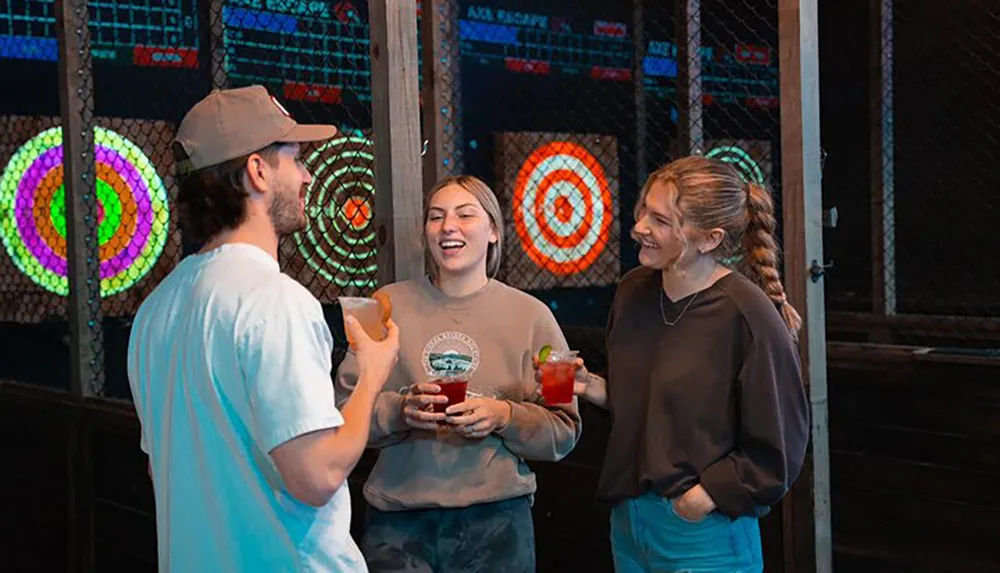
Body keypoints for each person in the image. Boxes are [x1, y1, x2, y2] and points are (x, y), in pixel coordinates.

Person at [127, 85, 399, 572]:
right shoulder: (275, 300)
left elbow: (160, 469)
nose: (308, 176)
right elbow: (316, 476)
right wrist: (374, 374)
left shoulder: (154, 310)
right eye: (294, 159)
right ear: (256, 170)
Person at [563, 156, 810, 572]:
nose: (640, 226)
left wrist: (704, 498)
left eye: (660, 220)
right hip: (630, 520)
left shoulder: (747, 313)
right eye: (644, 209)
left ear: (709, 239)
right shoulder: (632, 291)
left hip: (704, 532)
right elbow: (651, 406)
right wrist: (593, 386)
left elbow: (781, 441)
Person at [335, 175, 583, 573]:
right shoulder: (383, 305)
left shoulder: (538, 317)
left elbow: (565, 428)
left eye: (465, 214)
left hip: (497, 524)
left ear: (493, 232)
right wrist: (401, 410)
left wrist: (504, 416)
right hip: (396, 524)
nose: (448, 226)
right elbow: (343, 409)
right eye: (436, 217)